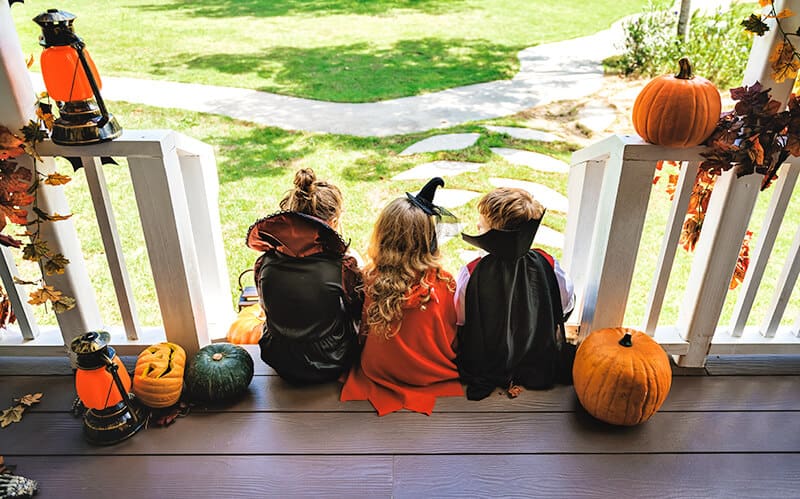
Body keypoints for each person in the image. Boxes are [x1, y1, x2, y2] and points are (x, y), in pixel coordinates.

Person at [340, 178, 463, 416]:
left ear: (383, 236)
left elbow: (365, 330)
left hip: (379, 369)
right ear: (428, 239)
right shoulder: (445, 283)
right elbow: (451, 336)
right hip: (430, 372)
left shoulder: (371, 280)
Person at [455, 187, 576, 401]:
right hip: (536, 357)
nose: (476, 225)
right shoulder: (548, 264)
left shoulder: (471, 273)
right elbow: (565, 305)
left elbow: (461, 318)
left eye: (481, 226)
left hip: (486, 360)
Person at [245, 168, 363, 384]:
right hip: (331, 361)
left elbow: (266, 308)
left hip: (279, 359)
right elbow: (359, 311)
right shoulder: (343, 266)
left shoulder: (264, 263)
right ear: (334, 221)